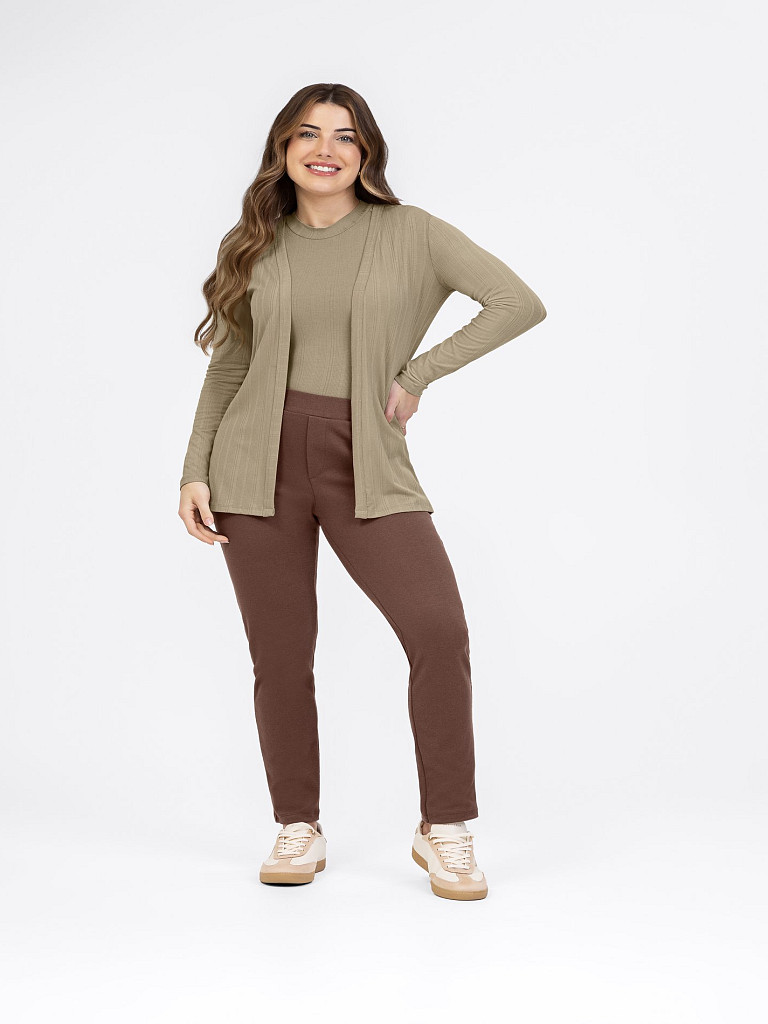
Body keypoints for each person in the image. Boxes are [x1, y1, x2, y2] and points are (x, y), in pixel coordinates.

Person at [178, 83, 547, 902]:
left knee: (438, 630)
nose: (326, 149)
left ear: (367, 152)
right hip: (253, 463)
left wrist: (418, 374)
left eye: (345, 136)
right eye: (308, 134)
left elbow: (517, 302)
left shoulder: (411, 233)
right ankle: (297, 823)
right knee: (280, 655)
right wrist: (195, 468)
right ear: (283, 148)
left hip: (364, 458)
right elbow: (229, 366)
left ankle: (443, 827)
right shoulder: (256, 243)